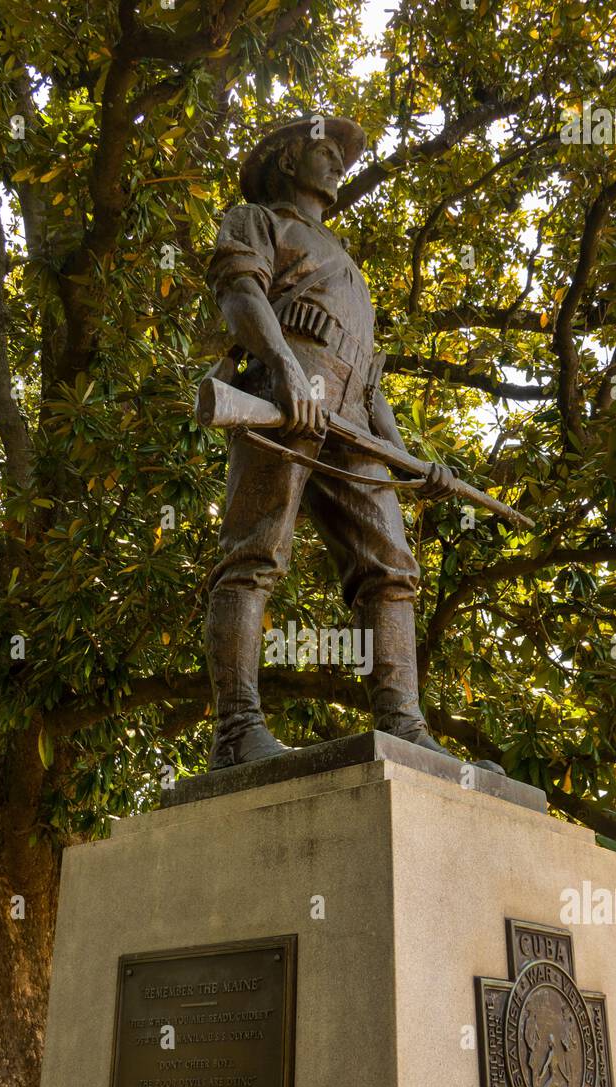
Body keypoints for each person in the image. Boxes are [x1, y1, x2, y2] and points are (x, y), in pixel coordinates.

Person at [203, 114, 467, 770]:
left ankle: (402, 722)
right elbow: (241, 297)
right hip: (282, 395)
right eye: (325, 151)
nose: (338, 164)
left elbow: (371, 380)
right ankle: (236, 731)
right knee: (255, 553)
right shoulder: (256, 220)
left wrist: (404, 460)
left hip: (352, 418)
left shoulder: (348, 267)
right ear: (288, 161)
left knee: (391, 567)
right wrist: (286, 370)